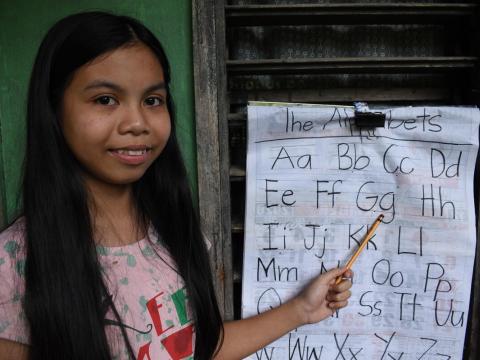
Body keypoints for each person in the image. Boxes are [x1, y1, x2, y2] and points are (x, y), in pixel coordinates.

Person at [0, 11, 353, 360]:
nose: (137, 123)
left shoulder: (175, 231)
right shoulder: (15, 261)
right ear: (53, 109)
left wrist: (301, 311)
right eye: (105, 99)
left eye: (153, 101)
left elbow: (196, 347)